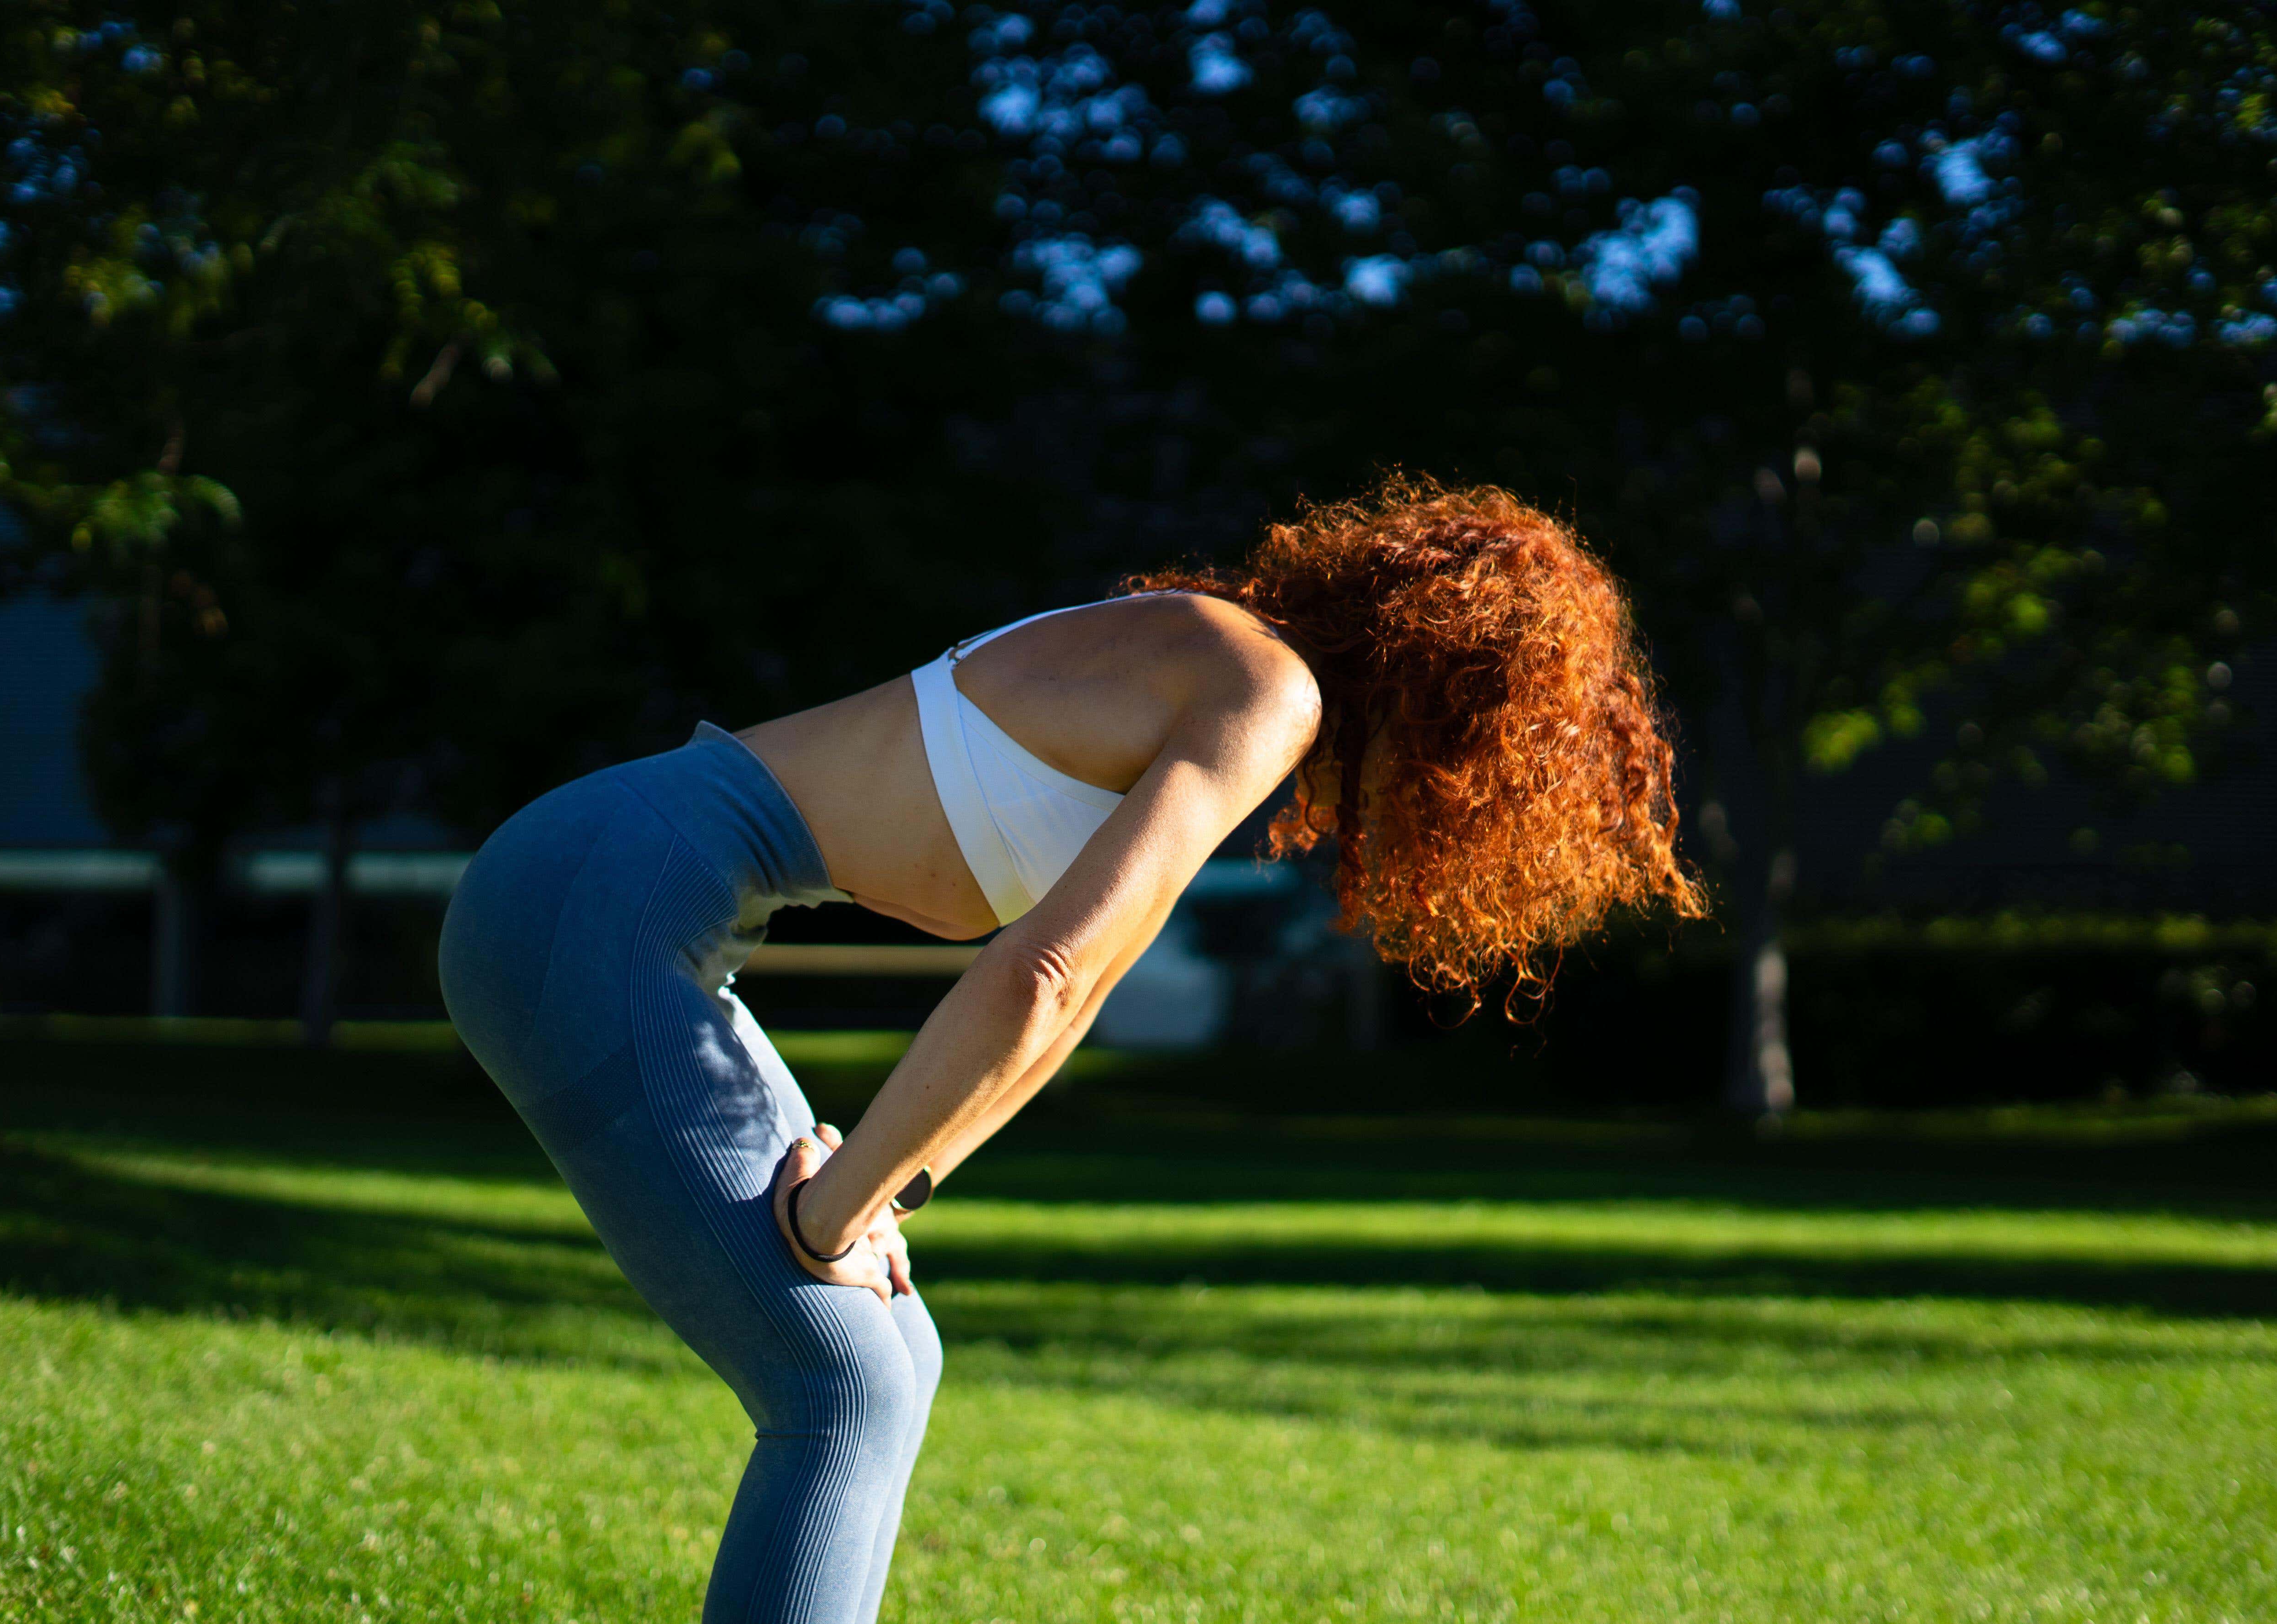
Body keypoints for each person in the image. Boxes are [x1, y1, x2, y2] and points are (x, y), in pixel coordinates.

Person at [435, 476, 1704, 1623]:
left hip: (618, 889)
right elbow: (1044, 974)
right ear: (1446, 706)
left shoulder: (1216, 653)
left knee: (895, 1357)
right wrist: (836, 1208)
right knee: (840, 1387)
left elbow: (1066, 998)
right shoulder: (1266, 692)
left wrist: (881, 1183)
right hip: (594, 907)